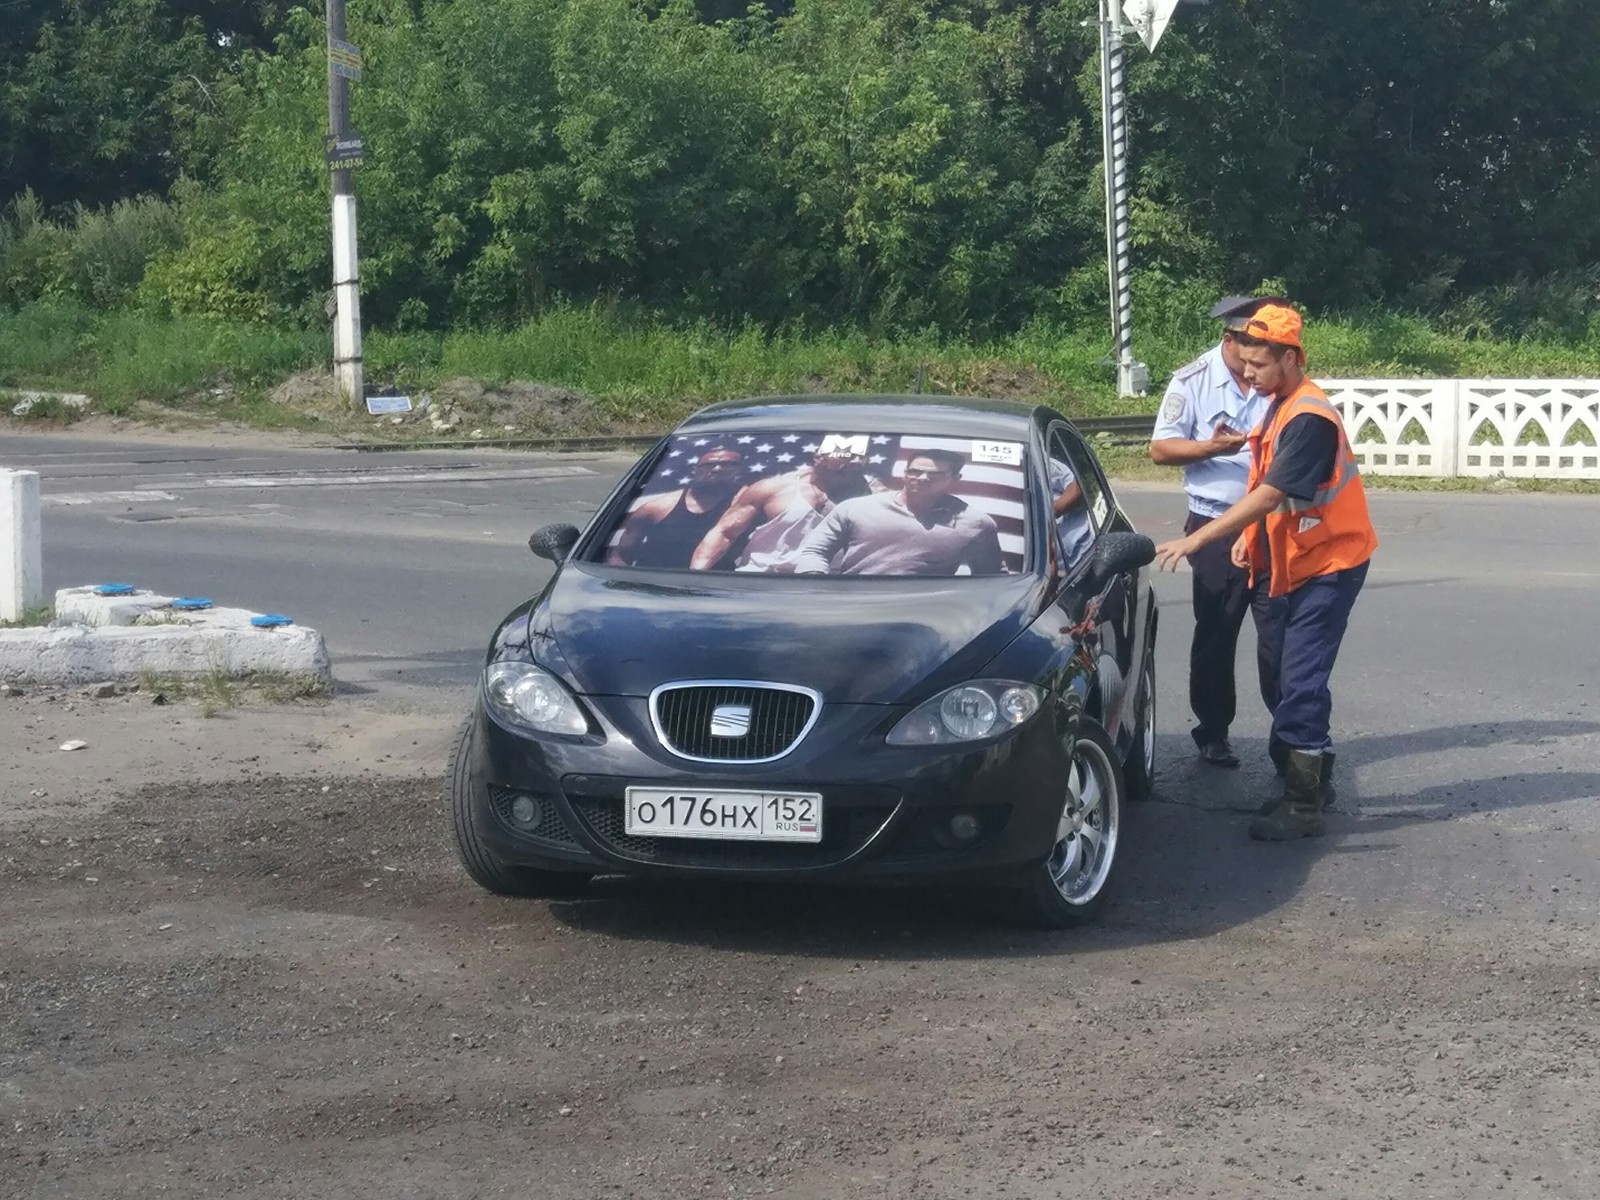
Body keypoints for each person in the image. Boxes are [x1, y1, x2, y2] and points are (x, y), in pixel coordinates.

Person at [1151, 303, 1378, 841]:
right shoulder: (1276, 403)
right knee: (1270, 664)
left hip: (1329, 563)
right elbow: (1264, 486)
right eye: (1242, 361)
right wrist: (1249, 540)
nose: (1245, 373)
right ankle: (1305, 774)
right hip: (1290, 559)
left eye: (1256, 364)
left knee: (1298, 679)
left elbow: (1272, 493)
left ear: (1290, 358)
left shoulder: (1308, 418)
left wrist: (1198, 538)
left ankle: (1304, 804)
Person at [1149, 295, 1279, 768]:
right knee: (1217, 633)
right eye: (1248, 350)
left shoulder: (1275, 377)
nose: (1252, 365)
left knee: (1278, 636)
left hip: (1270, 522)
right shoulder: (1192, 380)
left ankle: (1289, 741)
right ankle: (1213, 731)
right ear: (1229, 339)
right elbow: (1161, 449)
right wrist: (1208, 448)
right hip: (1214, 522)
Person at [792, 449, 1003, 577]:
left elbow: (991, 577)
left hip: (933, 614)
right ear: (904, 473)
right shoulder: (855, 508)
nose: (922, 478)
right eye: (915, 471)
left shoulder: (976, 523)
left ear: (955, 478)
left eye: (935, 475)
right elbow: (815, 552)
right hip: (852, 604)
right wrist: (814, 581)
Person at [689, 440, 884, 572]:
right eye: (846, 455)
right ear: (819, 457)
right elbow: (725, 532)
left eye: (860, 456)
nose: (855, 461)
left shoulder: (878, 497)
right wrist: (695, 579)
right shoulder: (774, 488)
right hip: (762, 580)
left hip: (831, 588)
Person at [608, 446, 745, 568]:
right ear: (695, 470)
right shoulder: (656, 508)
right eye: (709, 464)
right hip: (657, 585)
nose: (717, 469)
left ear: (739, 470)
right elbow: (620, 555)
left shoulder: (748, 504)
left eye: (728, 464)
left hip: (719, 587)